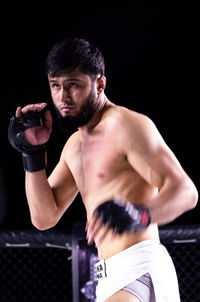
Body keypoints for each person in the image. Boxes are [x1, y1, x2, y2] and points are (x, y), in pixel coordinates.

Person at [8, 37, 198, 302]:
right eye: (56, 85)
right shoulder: (75, 145)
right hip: (108, 278)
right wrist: (32, 153)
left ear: (99, 83)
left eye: (73, 85)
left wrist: (140, 215)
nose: (63, 97)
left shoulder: (124, 125)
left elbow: (186, 191)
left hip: (140, 269)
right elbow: (44, 217)